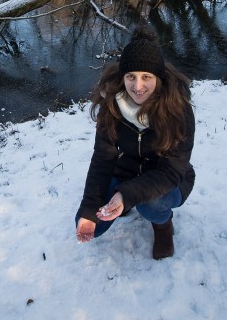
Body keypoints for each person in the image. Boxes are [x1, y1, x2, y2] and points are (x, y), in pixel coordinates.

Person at [74, 26, 196, 259]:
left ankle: (163, 225)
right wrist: (88, 212)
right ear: (122, 77)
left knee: (150, 205)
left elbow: (172, 170)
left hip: (170, 179)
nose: (137, 87)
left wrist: (125, 195)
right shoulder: (112, 106)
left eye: (146, 77)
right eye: (131, 76)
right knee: (94, 225)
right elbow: (102, 160)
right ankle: (125, 201)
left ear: (158, 79)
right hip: (126, 172)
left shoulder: (178, 111)